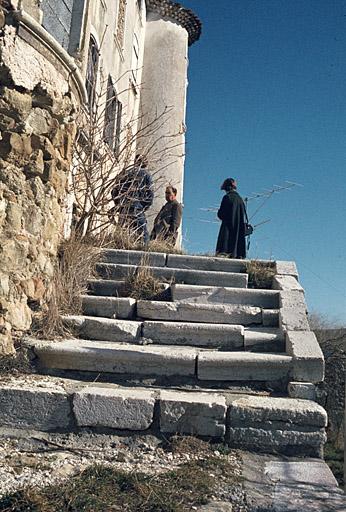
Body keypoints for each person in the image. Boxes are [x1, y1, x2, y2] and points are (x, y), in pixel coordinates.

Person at [110, 154, 154, 243]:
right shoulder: (146, 175)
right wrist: (144, 206)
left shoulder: (125, 173)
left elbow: (114, 190)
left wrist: (119, 204)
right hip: (136, 208)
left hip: (124, 208)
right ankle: (144, 254)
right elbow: (150, 194)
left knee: (121, 234)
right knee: (143, 235)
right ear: (144, 163)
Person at [216, 177, 247, 258]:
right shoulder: (240, 200)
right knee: (236, 251)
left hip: (227, 229)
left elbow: (221, 214)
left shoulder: (227, 197)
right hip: (238, 230)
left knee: (225, 251)